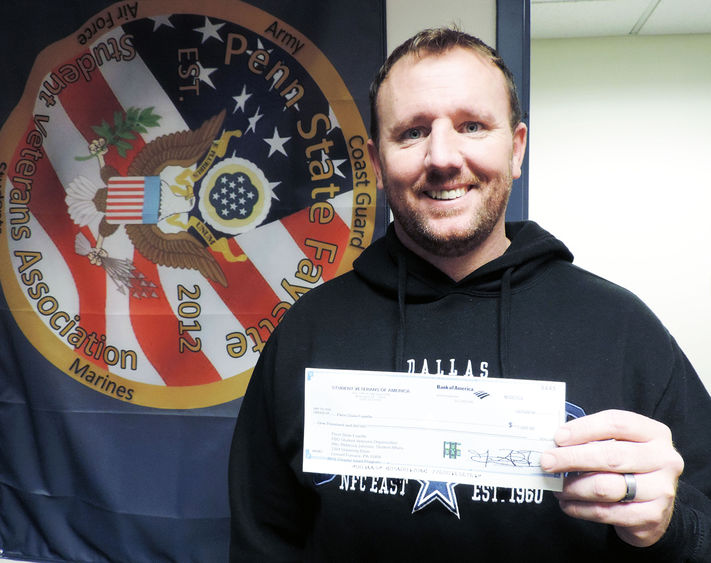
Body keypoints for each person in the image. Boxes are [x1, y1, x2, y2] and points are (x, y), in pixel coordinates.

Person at [228, 27, 711, 561]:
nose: (442, 157)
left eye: (472, 126)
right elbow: (261, 540)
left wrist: (673, 526)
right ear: (375, 161)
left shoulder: (622, 329)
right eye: (411, 132)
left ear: (517, 147)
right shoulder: (307, 332)